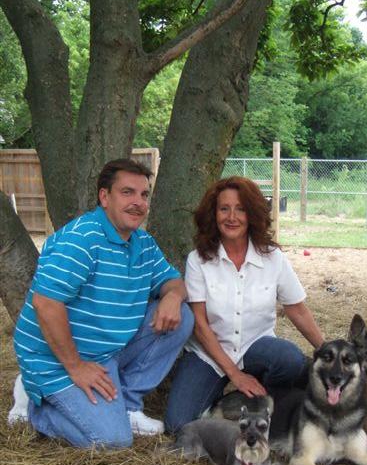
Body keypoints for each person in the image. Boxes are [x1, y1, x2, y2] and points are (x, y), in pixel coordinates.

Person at [9, 159, 194, 448]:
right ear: (104, 197)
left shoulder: (142, 243)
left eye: (144, 195)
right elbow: (46, 304)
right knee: (112, 441)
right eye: (127, 192)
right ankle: (36, 407)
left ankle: (129, 406)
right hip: (57, 360)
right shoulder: (81, 240)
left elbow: (174, 282)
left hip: (107, 351)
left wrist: (172, 295)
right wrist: (76, 366)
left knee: (182, 314)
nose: (138, 202)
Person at [164, 176, 325, 432]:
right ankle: (227, 399)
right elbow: (200, 325)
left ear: (252, 214)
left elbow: (297, 309)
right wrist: (235, 375)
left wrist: (327, 351)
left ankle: (266, 403)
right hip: (211, 354)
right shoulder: (198, 260)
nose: (232, 217)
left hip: (255, 347)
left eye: (240, 209)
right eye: (224, 208)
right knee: (179, 425)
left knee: (290, 359)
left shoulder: (273, 258)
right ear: (213, 214)